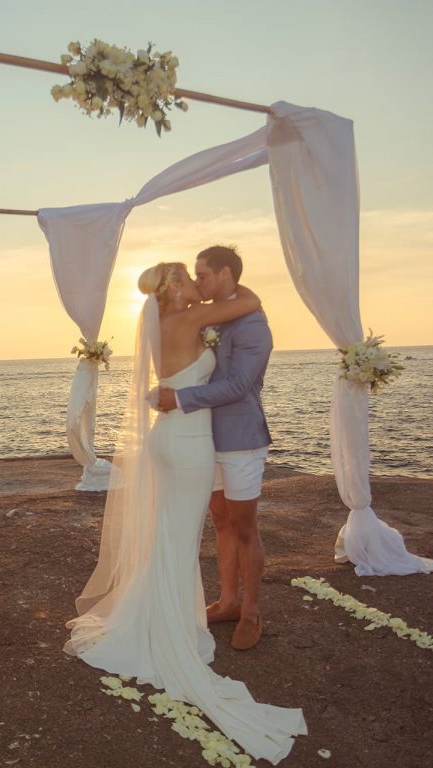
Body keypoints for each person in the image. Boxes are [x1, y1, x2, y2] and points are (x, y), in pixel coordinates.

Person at [66, 262, 306, 764]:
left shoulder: (163, 323)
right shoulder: (192, 317)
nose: (197, 283)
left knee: (170, 534)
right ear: (175, 287)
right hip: (191, 443)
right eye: (190, 276)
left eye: (203, 274)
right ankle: (170, 629)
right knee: (181, 538)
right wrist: (227, 284)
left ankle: (159, 616)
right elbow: (250, 299)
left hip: (170, 439)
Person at [157, 245, 272, 651]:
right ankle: (227, 601)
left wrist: (180, 398)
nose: (197, 281)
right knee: (220, 522)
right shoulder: (210, 316)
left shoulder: (253, 325)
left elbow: (239, 385)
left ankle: (251, 611)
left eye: (203, 274)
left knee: (244, 529)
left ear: (225, 274)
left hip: (240, 441)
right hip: (203, 440)